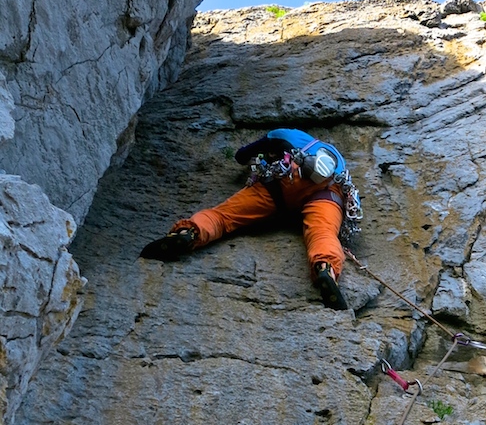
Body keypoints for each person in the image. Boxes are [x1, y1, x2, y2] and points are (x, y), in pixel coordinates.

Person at [140, 128, 361, 310]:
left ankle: (189, 233)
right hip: (328, 194)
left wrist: (249, 156)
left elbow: (242, 155)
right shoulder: (342, 169)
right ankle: (326, 268)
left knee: (223, 217)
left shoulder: (290, 135)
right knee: (322, 232)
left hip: (283, 184)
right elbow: (353, 207)